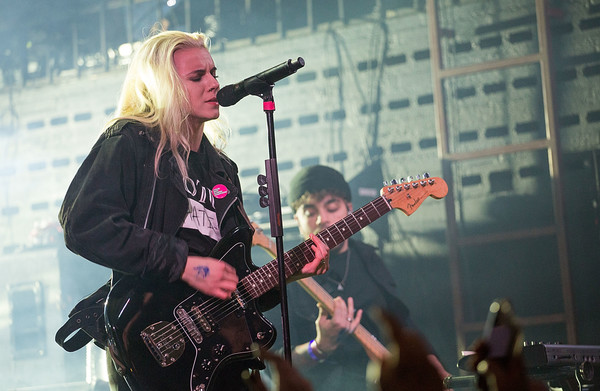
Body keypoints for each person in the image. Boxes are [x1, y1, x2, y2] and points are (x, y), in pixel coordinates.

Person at [58, 30, 330, 391]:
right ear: (164, 86)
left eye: (214, 73)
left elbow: (234, 284)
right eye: (197, 77)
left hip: (222, 357)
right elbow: (84, 225)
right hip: (151, 341)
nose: (214, 83)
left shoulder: (222, 169)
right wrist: (185, 263)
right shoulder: (131, 141)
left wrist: (289, 274)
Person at [267, 164, 450, 390]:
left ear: (349, 209)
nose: (322, 219)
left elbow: (402, 321)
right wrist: (319, 347)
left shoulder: (367, 257)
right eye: (310, 211)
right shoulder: (286, 277)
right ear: (297, 219)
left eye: (331, 206)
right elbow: (274, 366)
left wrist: (428, 360)